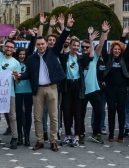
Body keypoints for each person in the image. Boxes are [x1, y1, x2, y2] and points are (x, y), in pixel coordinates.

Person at [21, 14, 74, 152]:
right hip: (37, 90)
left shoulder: (53, 52)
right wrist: (19, 76)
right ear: (36, 46)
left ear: (46, 44)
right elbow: (28, 73)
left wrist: (67, 27)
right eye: (38, 44)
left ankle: (53, 141)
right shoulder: (31, 58)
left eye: (43, 44)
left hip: (52, 88)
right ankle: (39, 140)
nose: (41, 46)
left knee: (54, 117)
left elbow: (61, 39)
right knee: (37, 117)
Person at [80, 22, 110, 145]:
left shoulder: (95, 57)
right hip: (82, 91)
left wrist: (103, 32)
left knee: (99, 112)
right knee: (80, 114)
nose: (85, 49)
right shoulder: (78, 58)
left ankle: (96, 133)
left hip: (94, 89)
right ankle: (80, 133)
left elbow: (101, 44)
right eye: (83, 47)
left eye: (87, 47)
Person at [102, 26, 129, 143]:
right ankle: (111, 135)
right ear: (112, 50)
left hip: (122, 89)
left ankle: (120, 135)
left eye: (119, 50)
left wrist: (125, 35)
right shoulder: (108, 58)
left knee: (121, 111)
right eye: (115, 49)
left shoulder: (124, 59)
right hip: (110, 89)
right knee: (111, 111)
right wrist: (104, 34)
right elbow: (103, 50)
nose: (117, 51)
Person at [14, 28, 36, 146]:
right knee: (19, 115)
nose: (22, 56)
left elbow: (32, 48)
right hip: (17, 91)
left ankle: (27, 136)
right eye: (20, 54)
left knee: (28, 114)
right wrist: (12, 37)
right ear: (17, 55)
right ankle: (20, 137)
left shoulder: (29, 60)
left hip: (28, 91)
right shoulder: (14, 62)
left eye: (23, 54)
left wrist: (33, 37)